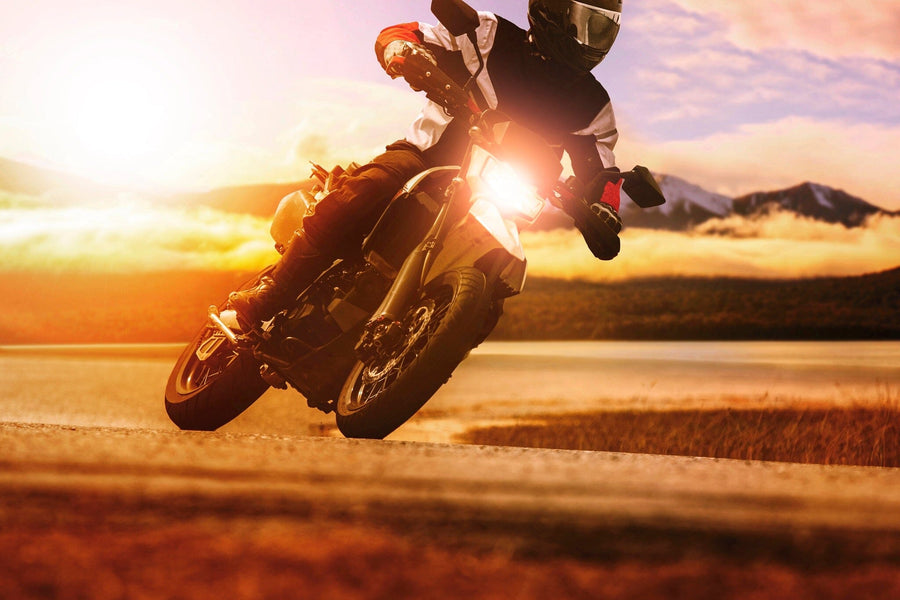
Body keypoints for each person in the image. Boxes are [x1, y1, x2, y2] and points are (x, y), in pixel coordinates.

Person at [230, 0, 626, 329]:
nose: (595, 40)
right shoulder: (486, 35)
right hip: (427, 159)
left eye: (605, 29)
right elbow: (403, 34)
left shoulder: (593, 105)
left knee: (494, 289)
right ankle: (272, 294)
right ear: (555, 11)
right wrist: (404, 53)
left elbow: (603, 172)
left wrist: (605, 209)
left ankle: (415, 354)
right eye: (589, 24)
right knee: (368, 189)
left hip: (494, 198)